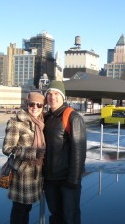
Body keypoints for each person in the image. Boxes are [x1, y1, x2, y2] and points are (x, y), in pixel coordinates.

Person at [43, 80, 87, 224]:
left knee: (70, 217)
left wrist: (74, 179)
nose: (52, 97)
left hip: (67, 179)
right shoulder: (46, 117)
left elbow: (79, 150)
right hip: (50, 179)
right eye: (49, 94)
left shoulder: (72, 117)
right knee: (55, 215)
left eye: (56, 93)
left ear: (63, 96)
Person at [2, 92, 46, 224]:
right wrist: (32, 152)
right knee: (19, 210)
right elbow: (7, 148)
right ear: (27, 104)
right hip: (21, 175)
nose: (35, 107)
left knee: (27, 208)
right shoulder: (16, 122)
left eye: (39, 105)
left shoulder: (40, 123)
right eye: (31, 104)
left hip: (35, 174)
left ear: (43, 107)